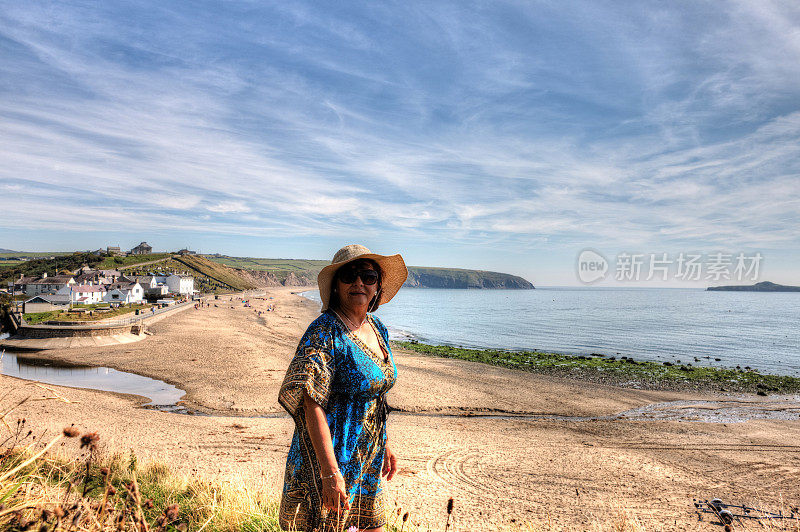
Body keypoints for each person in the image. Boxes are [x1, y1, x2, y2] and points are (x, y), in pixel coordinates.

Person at [278, 244, 408, 532]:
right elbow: (310, 400)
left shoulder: (378, 329)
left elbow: (376, 393)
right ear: (336, 286)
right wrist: (329, 472)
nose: (359, 283)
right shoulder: (324, 331)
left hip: (368, 457)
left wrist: (384, 444)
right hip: (330, 457)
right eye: (349, 276)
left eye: (368, 276)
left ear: (378, 287)